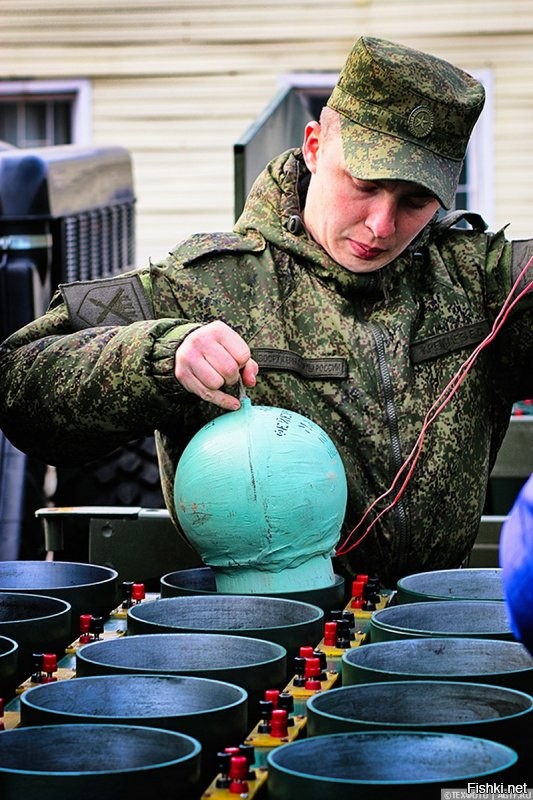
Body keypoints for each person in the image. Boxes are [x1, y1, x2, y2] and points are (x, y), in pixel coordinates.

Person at [1, 36, 532, 588]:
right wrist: (160, 356)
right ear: (314, 146)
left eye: (414, 202)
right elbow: (20, 382)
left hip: (433, 628)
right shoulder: (206, 284)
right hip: (263, 627)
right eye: (365, 185)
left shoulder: (480, 280)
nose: (381, 225)